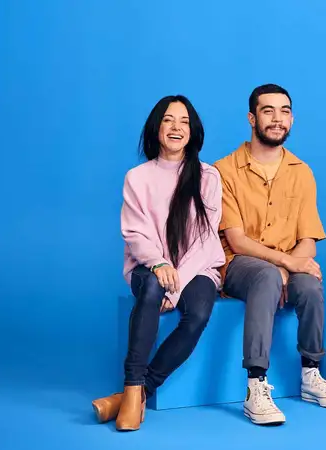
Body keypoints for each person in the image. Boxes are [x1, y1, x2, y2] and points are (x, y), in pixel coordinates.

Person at [213, 83, 326, 426]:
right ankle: (255, 387)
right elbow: (237, 239)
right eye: (268, 111)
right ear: (251, 118)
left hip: (286, 263)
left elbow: (308, 239)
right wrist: (286, 265)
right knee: (267, 275)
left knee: (311, 285)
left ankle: (311, 375)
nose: (277, 119)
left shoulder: (301, 171)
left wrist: (292, 267)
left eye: (285, 111)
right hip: (240, 264)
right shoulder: (223, 170)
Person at [90, 95, 225, 431]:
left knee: (199, 314)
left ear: (193, 131)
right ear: (156, 127)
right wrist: (159, 265)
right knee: (151, 286)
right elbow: (134, 233)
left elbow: (206, 238)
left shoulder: (208, 176)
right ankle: (133, 384)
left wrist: (176, 282)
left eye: (183, 121)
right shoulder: (138, 177)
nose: (176, 127)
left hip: (196, 268)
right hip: (147, 266)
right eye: (168, 120)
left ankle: (138, 393)